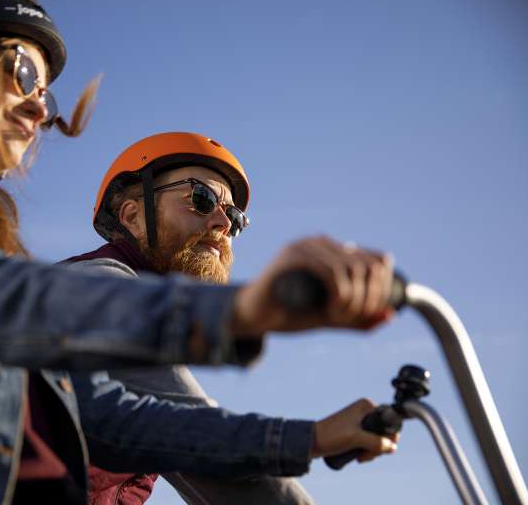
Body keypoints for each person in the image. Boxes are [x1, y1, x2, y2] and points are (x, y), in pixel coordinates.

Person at [0, 0, 396, 503]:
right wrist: (239, 311)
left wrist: (307, 438)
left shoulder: (9, 279)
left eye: (47, 94)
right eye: (24, 74)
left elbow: (114, 418)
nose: (40, 107)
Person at [64, 132, 398, 505]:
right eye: (201, 198)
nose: (223, 222)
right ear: (133, 216)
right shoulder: (99, 282)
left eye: (235, 217)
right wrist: (311, 439)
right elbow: (196, 445)